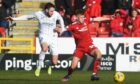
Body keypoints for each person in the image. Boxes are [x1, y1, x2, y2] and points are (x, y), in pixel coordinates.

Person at [10, 3, 65, 76]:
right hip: (43, 35)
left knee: (54, 62)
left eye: (53, 11)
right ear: (46, 10)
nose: (53, 13)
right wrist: (14, 18)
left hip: (53, 36)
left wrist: (62, 29)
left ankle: (48, 64)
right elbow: (27, 17)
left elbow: (61, 19)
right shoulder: (39, 14)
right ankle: (39, 67)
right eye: (51, 11)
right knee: (44, 48)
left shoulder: (55, 14)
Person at [55, 9, 102, 81]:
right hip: (79, 49)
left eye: (83, 17)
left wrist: (109, 18)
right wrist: (58, 29)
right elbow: (64, 29)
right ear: (77, 17)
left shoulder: (86, 20)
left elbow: (97, 19)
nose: (83, 19)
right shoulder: (73, 25)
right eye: (81, 17)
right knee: (73, 66)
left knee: (98, 54)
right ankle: (68, 75)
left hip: (89, 45)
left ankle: (94, 74)